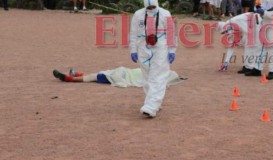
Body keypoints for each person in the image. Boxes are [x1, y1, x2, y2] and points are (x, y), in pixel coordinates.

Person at [129, 0, 176, 118]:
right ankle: (155, 103)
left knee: (158, 76)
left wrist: (172, 50)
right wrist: (133, 50)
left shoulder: (165, 14)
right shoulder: (138, 14)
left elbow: (171, 33)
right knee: (147, 77)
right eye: (148, 7)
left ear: (157, 4)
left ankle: (151, 106)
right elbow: (133, 33)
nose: (151, 9)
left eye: (153, 7)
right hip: (143, 46)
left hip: (161, 46)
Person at [52, 66, 185, 88]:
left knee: (97, 76)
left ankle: (70, 78)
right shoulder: (153, 72)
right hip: (125, 72)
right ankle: (77, 75)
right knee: (102, 73)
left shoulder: (155, 78)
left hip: (124, 76)